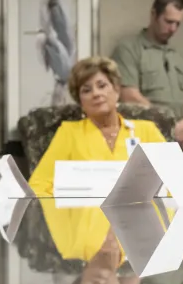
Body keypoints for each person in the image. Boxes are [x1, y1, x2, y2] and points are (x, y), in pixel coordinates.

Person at [27, 56, 167, 196]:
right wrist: (68, 195)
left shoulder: (147, 131)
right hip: (83, 214)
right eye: (86, 90)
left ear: (116, 90)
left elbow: (176, 184)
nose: (96, 94)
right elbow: (37, 186)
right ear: (80, 101)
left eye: (102, 86)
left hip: (139, 214)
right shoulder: (69, 133)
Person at [110, 0, 183, 169]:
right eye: (168, 22)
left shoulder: (180, 56)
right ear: (154, 14)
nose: (173, 29)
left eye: (177, 24)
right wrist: (168, 123)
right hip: (149, 137)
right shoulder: (129, 49)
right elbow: (129, 95)